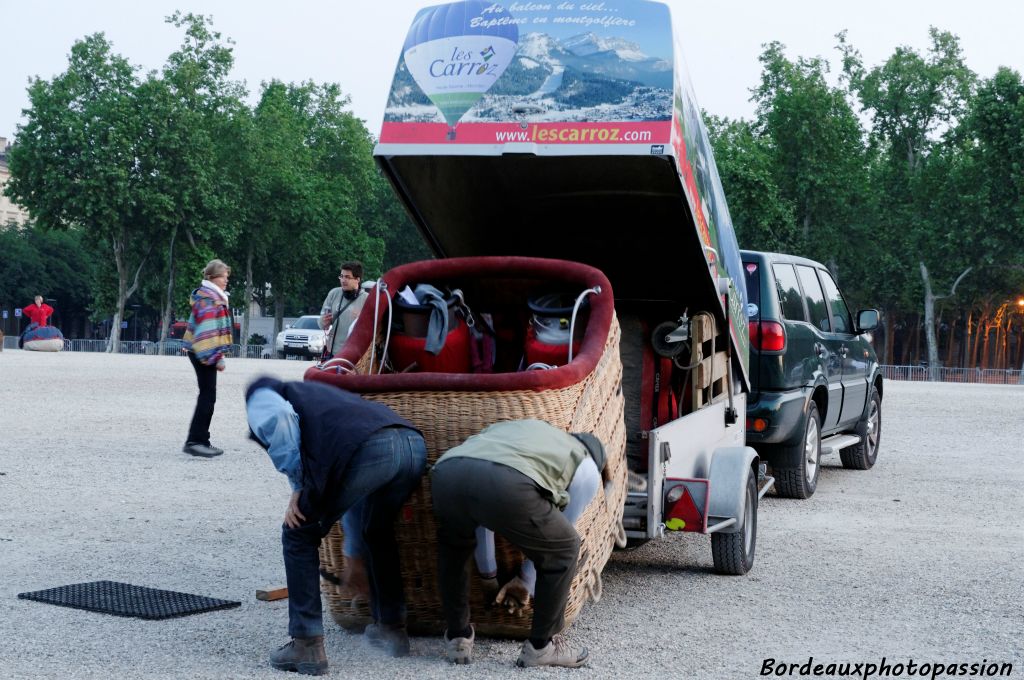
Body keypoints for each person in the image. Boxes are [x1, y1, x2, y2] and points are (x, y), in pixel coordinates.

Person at [245, 377, 427, 674]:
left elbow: (279, 419)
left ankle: (306, 644)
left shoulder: (260, 392)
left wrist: (300, 484)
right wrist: (353, 555)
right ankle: (391, 628)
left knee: (298, 531)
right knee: (377, 530)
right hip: (412, 444)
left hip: (368, 449)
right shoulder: (322, 398)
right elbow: (355, 495)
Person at [431, 419, 605, 668]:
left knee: (454, 549)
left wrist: (488, 574)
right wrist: (526, 579)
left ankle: (458, 637)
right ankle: (542, 647)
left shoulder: (529, 433)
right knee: (566, 548)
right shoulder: (585, 464)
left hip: (447, 472)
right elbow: (554, 542)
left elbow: (481, 511)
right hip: (505, 482)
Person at [181, 259, 234, 458]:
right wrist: (215, 357)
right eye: (223, 277)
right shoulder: (209, 300)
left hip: (201, 351)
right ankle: (195, 441)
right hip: (203, 353)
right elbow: (207, 332)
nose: (226, 280)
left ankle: (201, 439)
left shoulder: (212, 296)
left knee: (207, 395)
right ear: (212, 278)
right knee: (207, 396)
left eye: (227, 277)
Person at [318, 261, 368, 360]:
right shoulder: (333, 293)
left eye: (347, 277)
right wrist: (323, 322)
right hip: (332, 353)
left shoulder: (367, 299)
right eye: (341, 276)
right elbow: (321, 324)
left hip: (355, 355)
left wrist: (361, 319)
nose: (343, 280)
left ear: (357, 279)